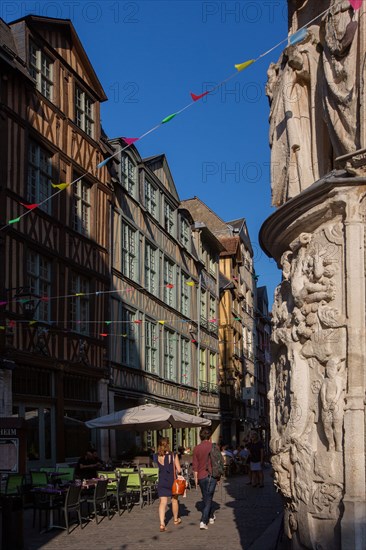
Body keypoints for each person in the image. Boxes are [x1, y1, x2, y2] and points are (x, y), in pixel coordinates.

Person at [192, 426, 217, 530]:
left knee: (206, 498)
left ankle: (210, 516)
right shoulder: (214, 447)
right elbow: (218, 462)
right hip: (212, 475)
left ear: (200, 436)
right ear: (209, 436)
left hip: (201, 476)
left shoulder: (197, 448)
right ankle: (203, 520)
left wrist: (196, 479)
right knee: (209, 497)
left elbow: (195, 466)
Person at [156, 437, 183, 532]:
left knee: (162, 502)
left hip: (162, 481)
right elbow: (179, 469)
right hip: (172, 481)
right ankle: (176, 519)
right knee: (174, 501)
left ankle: (162, 524)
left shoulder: (156, 456)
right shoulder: (173, 455)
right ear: (168, 444)